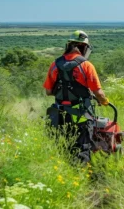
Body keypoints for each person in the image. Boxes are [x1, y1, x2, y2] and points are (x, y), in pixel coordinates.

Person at [43, 30, 109, 163]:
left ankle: (62, 169)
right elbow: (99, 93)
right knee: (82, 147)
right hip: (81, 116)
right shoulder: (86, 65)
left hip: (59, 115)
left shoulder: (55, 65)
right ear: (84, 47)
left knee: (62, 145)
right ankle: (80, 174)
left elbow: (48, 91)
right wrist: (105, 101)